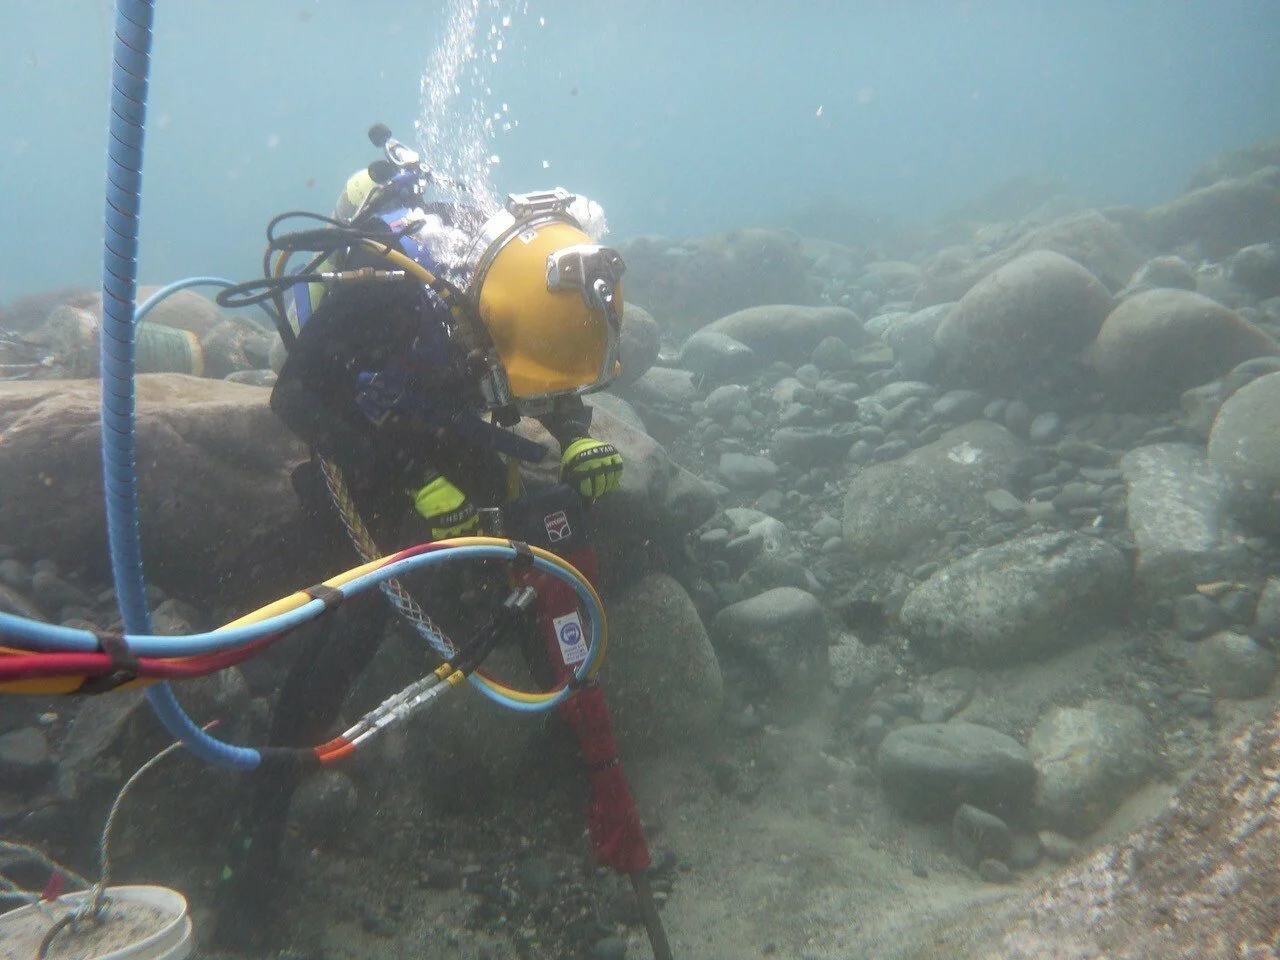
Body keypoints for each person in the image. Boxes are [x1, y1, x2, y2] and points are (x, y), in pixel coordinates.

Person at [214, 129, 629, 945]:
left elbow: (544, 371)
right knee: (353, 618)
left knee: (531, 544)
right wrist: (408, 477)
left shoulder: (512, 295)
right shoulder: (381, 298)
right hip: (363, 435)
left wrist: (575, 434)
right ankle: (255, 834)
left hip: (442, 417)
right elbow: (294, 400)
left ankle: (565, 734)